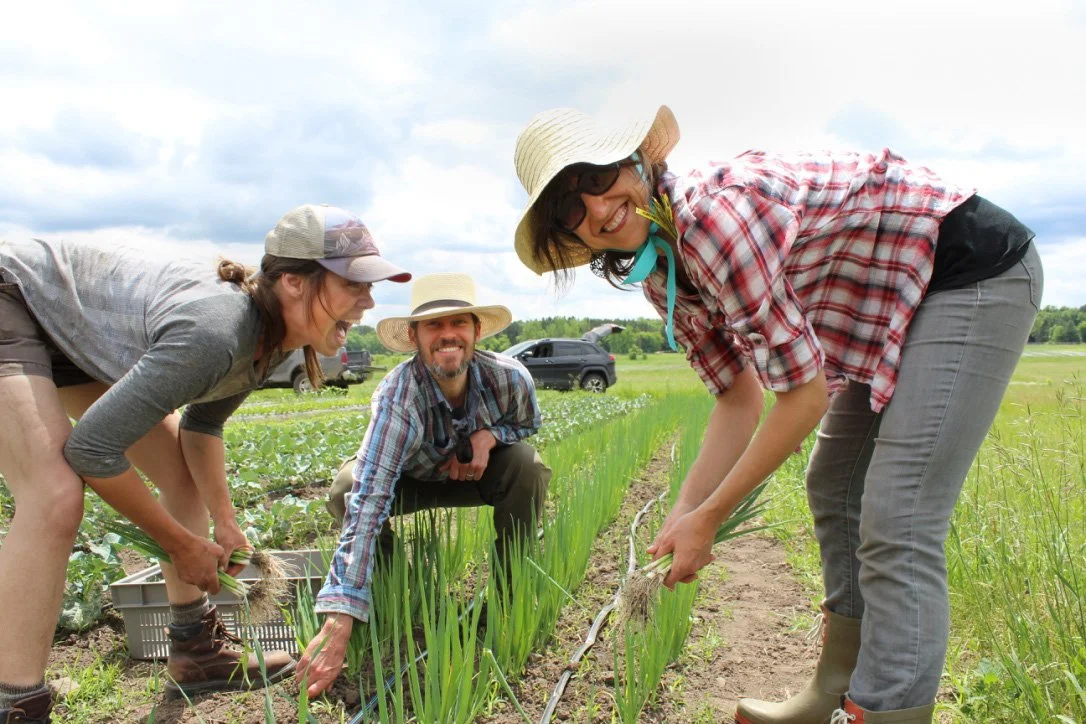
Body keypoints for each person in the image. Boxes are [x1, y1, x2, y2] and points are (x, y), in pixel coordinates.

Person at [511, 105, 1041, 724]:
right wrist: (683, 514)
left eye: (599, 176)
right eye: (572, 209)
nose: (599, 209)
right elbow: (739, 396)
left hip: (968, 269)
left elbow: (803, 397)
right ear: (569, 236)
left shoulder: (714, 218)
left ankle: (887, 710)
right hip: (894, 299)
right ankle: (833, 686)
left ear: (638, 161)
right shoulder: (664, 274)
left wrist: (709, 519)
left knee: (899, 515)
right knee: (835, 483)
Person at [0, 204, 410, 720]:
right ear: (293, 282)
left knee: (182, 475)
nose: (368, 301)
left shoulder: (270, 339)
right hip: (13, 297)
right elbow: (92, 451)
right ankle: (17, 703)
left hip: (64, 332)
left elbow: (201, 427)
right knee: (56, 494)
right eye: (354, 284)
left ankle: (195, 650)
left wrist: (225, 523)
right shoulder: (218, 332)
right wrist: (181, 544)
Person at [296, 272, 550, 697]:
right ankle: (404, 594)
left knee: (527, 466)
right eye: (433, 325)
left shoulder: (510, 378)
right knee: (346, 488)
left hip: (471, 478)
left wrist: (491, 436)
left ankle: (510, 597)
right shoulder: (399, 396)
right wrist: (340, 615)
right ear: (414, 336)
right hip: (407, 480)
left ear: (476, 330)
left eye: (458, 323)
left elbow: (527, 424)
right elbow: (372, 495)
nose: (447, 335)